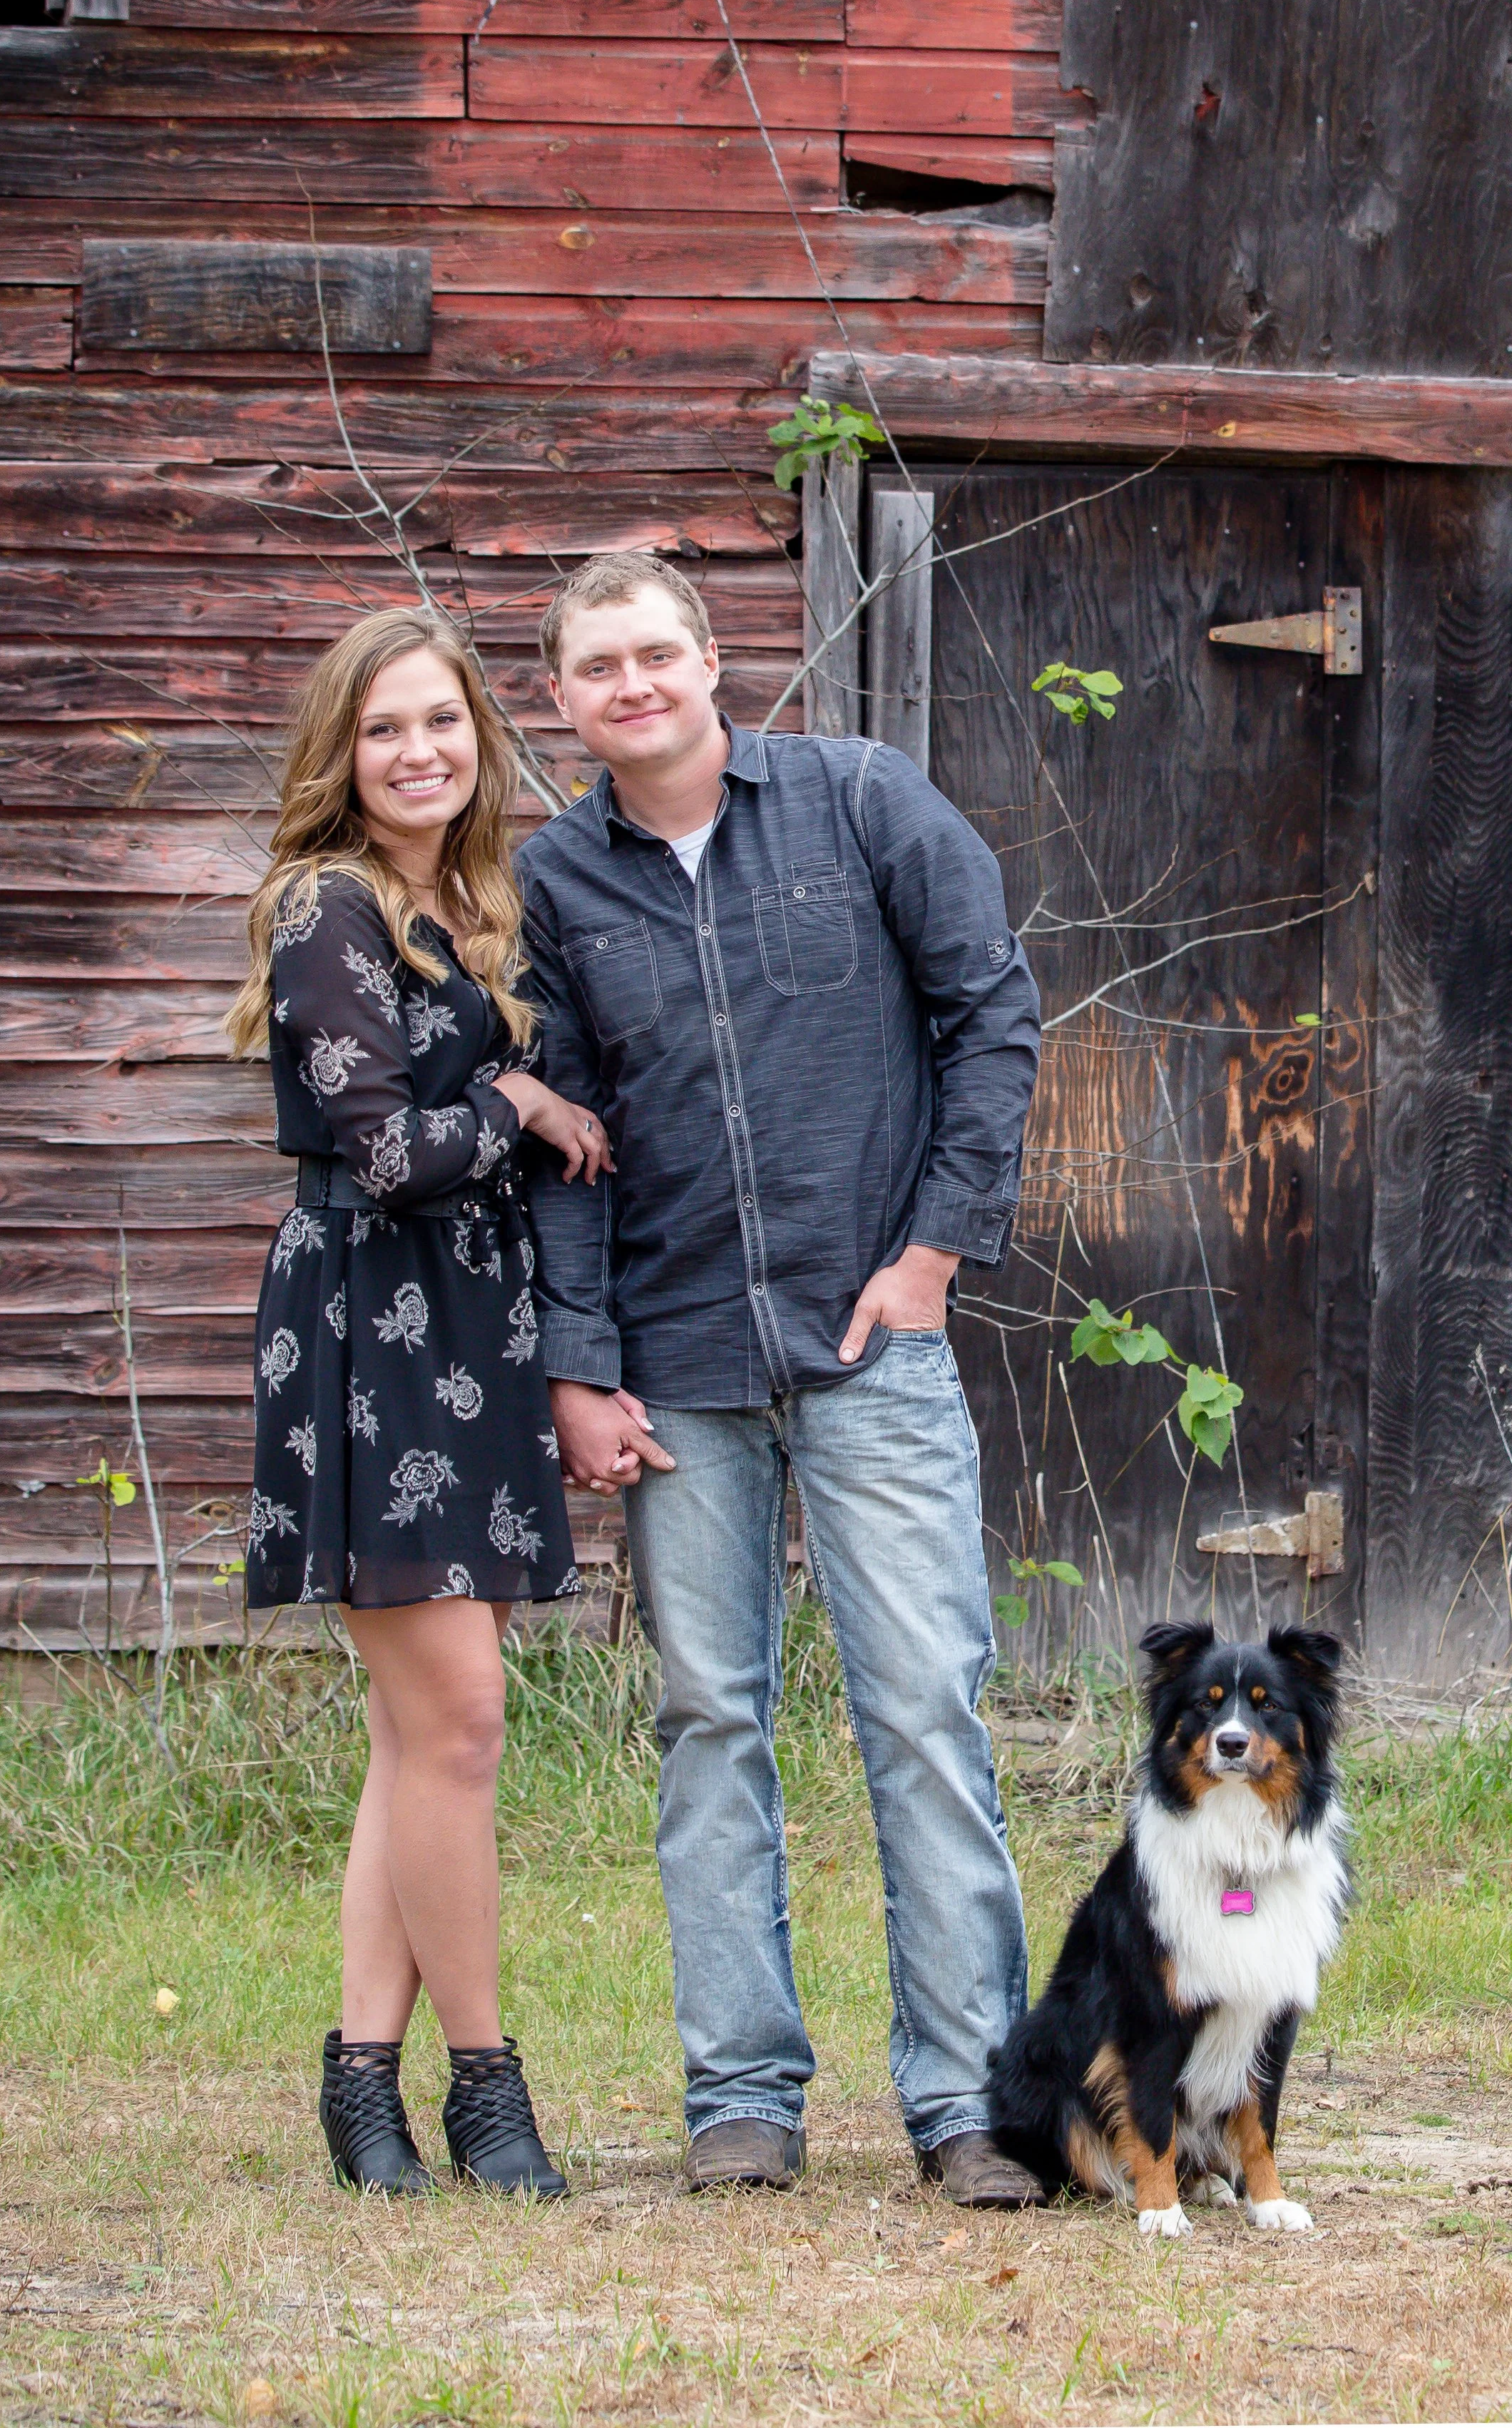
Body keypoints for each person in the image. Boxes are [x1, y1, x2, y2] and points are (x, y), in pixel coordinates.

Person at [515, 552, 1045, 2203]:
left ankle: (968, 2103)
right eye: (600, 666)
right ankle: (742, 2094)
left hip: (869, 1339)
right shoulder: (556, 881)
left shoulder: (861, 800)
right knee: (709, 1721)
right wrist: (581, 1372)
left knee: (924, 1716)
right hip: (677, 1370)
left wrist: (934, 1254)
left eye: (658, 652)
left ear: (709, 658)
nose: (636, 686)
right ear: (564, 697)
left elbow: (993, 1015)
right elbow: (565, 1143)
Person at [225, 604, 608, 2201]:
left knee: (418, 1736)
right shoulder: (327, 906)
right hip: (371, 1327)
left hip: (470, 1320)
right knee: (460, 1725)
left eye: (442, 723)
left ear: (479, 739)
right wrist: (519, 1099)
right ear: (343, 750)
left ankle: (361, 2090)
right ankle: (488, 2086)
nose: (418, 752)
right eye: (384, 729)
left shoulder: (474, 904)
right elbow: (380, 1154)